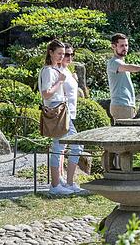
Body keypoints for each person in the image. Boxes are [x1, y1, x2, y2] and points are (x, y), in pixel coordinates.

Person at [38, 40, 75, 196]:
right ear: (51, 53)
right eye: (59, 53)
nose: (62, 56)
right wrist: (60, 81)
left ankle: (63, 182)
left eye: (63, 54)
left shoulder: (55, 70)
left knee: (73, 145)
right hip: (56, 110)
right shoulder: (48, 71)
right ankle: (55, 185)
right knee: (59, 147)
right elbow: (46, 93)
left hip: (61, 109)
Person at [107, 33, 140, 122]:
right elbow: (129, 67)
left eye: (126, 45)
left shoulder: (121, 62)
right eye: (122, 45)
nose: (125, 48)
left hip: (127, 105)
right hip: (121, 105)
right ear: (113, 46)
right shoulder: (114, 62)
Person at [58, 43, 84, 193]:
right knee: (77, 145)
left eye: (71, 54)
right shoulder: (58, 71)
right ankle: (67, 182)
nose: (68, 57)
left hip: (71, 114)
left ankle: (62, 179)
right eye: (66, 54)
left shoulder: (68, 71)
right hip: (64, 114)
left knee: (61, 147)